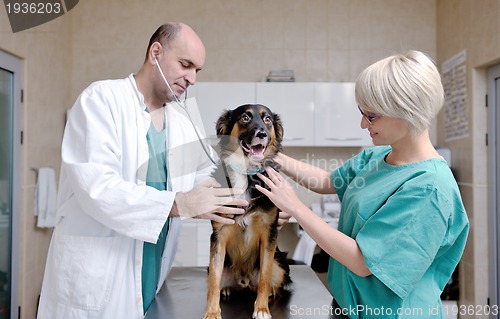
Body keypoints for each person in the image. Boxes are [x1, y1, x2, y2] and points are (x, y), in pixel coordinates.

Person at [37, 22, 250, 319]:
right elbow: (98, 188)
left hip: (151, 274)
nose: (191, 78)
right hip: (99, 278)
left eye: (197, 71)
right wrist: (179, 204)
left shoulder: (183, 119)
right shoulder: (101, 100)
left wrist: (248, 208)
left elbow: (203, 178)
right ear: (156, 52)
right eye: (185, 64)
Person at [256, 50, 469, 318]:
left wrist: (296, 207)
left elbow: (362, 261)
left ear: (406, 111)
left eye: (371, 116)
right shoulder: (379, 155)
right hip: (348, 307)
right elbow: (326, 181)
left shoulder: (429, 189)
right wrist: (271, 154)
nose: (362, 124)